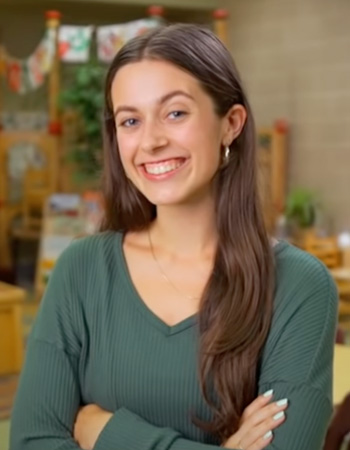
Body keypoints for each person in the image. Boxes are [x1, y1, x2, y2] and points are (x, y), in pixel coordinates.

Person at [10, 24, 338, 450]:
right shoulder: (82, 269)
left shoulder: (300, 287)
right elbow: (33, 442)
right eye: (130, 120)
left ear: (231, 124)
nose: (151, 141)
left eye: (176, 113)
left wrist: (107, 432)